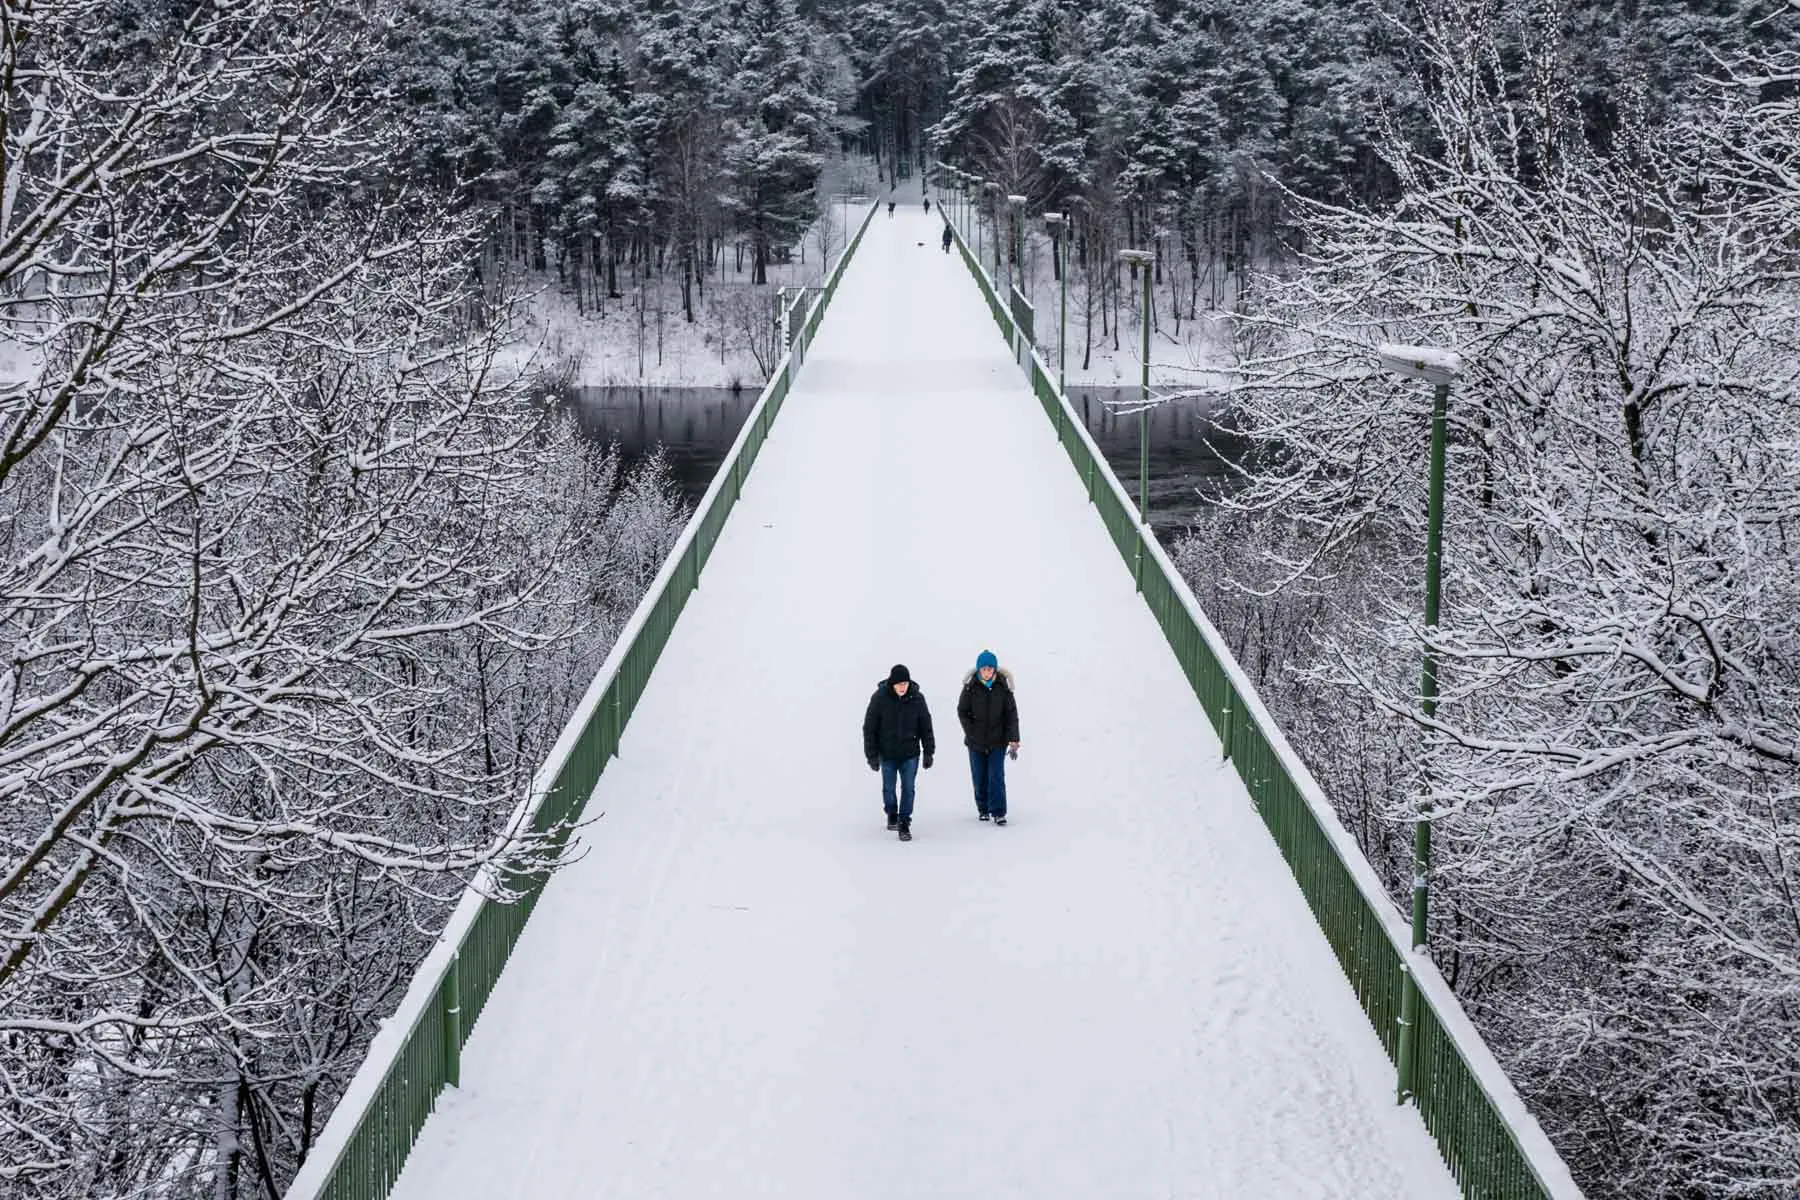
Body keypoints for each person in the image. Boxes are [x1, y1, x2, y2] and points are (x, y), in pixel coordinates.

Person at [863, 664, 935, 841]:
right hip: (887, 754)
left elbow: (926, 727)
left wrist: (928, 752)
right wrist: (871, 755)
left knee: (908, 788)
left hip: (910, 754)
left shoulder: (917, 699)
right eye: (899, 684)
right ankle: (891, 813)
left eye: (905, 683)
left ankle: (904, 822)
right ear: (892, 684)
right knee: (889, 787)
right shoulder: (879, 699)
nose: (902, 687)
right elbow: (869, 728)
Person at [957, 650, 1019, 825]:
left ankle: (999, 812)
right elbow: (962, 711)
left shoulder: (1003, 687)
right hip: (975, 742)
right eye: (984, 668)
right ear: (979, 670)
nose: (987, 672)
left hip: (997, 741)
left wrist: (1013, 738)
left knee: (996, 776)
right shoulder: (970, 686)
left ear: (994, 669)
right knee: (979, 776)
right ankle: (983, 809)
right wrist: (971, 731)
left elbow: (1011, 714)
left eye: (990, 668)